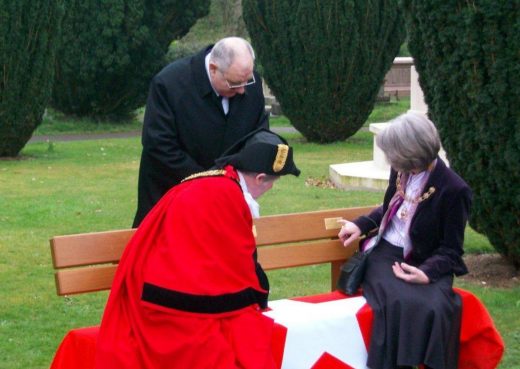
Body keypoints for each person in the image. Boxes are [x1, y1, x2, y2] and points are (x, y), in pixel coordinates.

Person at [95, 129, 300, 369]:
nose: (270, 189)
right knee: (236, 348)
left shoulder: (213, 183)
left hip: (149, 286)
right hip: (169, 307)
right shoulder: (228, 196)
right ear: (260, 178)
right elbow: (240, 269)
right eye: (272, 183)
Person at [338, 113, 472, 369]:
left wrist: (426, 273)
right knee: (398, 301)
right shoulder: (400, 170)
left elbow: (451, 250)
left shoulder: (455, 190)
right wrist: (361, 224)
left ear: (415, 155)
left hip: (428, 261)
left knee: (436, 307)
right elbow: (390, 208)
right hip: (386, 253)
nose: (394, 164)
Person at [133, 36, 269, 227]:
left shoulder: (247, 83)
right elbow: (159, 144)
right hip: (171, 199)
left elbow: (258, 134)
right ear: (213, 69)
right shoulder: (169, 84)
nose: (242, 91)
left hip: (228, 201)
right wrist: (210, 182)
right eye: (235, 84)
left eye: (247, 80)